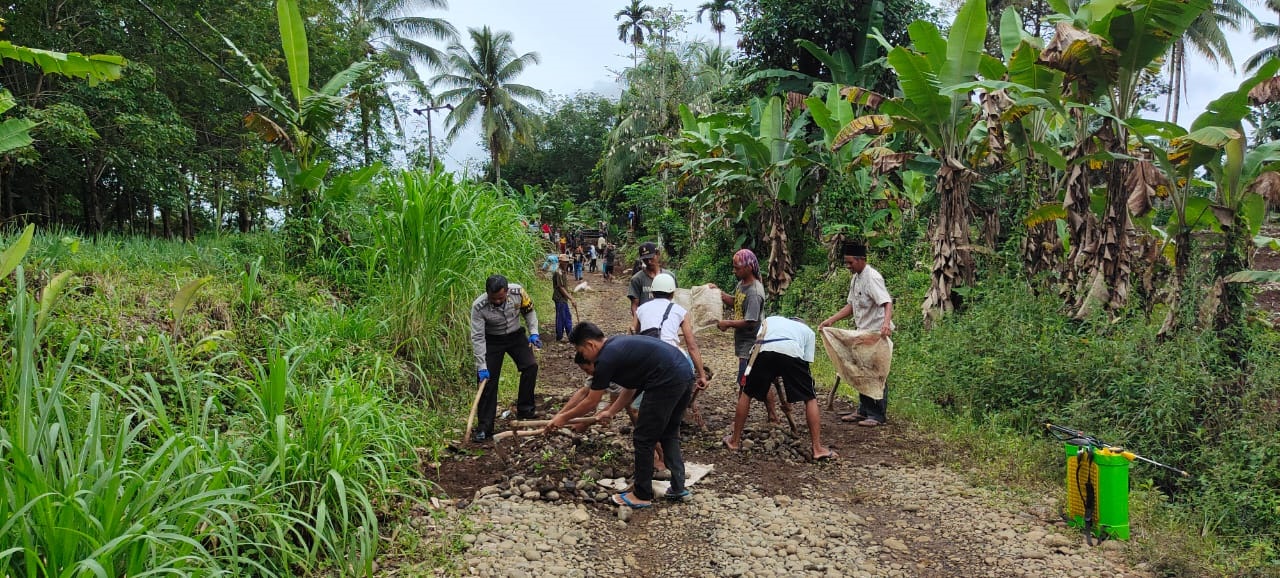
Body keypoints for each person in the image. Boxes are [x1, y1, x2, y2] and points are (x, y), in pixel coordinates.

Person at [548, 322, 697, 508]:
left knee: (643, 437)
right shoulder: (618, 346)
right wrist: (610, 411)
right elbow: (631, 387)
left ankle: (642, 495)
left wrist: (563, 418)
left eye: (581, 351)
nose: (583, 356)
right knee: (668, 432)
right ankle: (678, 487)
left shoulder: (605, 359)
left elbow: (591, 401)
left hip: (666, 379)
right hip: (684, 373)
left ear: (590, 345)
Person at [722, 316, 837, 461]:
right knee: (810, 398)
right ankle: (817, 448)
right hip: (792, 352)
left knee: (747, 393)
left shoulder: (771, 319)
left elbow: (758, 342)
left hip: (765, 350)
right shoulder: (808, 331)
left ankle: (734, 441)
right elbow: (804, 362)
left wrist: (771, 372)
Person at [818, 242, 894, 427]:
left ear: (861, 260)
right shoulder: (856, 279)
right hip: (862, 333)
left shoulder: (872, 277)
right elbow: (851, 305)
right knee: (861, 370)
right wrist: (831, 320)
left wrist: (885, 324)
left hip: (876, 334)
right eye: (846, 262)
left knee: (876, 374)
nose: (848, 266)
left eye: (850, 262)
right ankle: (863, 410)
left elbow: (887, 302)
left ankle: (877, 415)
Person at [469, 274, 541, 442]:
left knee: (530, 366)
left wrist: (534, 333)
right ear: (487, 294)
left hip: (516, 336)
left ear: (507, 292)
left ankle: (525, 410)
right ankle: (485, 427)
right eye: (493, 299)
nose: (497, 302)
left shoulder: (519, 292)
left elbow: (529, 312)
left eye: (501, 298)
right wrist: (482, 366)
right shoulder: (478, 307)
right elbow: (478, 337)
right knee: (487, 382)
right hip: (492, 340)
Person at [715, 248, 779, 422]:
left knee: (744, 381)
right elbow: (736, 303)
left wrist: (727, 324)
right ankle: (772, 415)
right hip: (744, 342)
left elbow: (750, 321)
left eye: (737, 268)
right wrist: (719, 294)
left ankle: (739, 420)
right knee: (760, 378)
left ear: (748, 268)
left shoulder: (754, 292)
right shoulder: (742, 284)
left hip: (752, 343)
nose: (734, 271)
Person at [627, 242, 676, 322]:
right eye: (645, 259)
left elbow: (675, 299)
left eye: (651, 258)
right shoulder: (637, 279)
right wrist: (636, 323)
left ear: (657, 254)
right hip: (646, 321)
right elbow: (635, 305)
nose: (649, 262)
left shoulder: (670, 276)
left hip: (666, 320)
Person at [552, 259, 576, 343]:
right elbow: (561, 287)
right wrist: (571, 298)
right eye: (565, 262)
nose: (566, 263)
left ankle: (570, 336)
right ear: (560, 262)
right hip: (560, 298)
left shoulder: (563, 272)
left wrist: (569, 296)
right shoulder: (558, 272)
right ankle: (560, 336)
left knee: (567, 317)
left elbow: (565, 287)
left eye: (567, 262)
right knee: (561, 318)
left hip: (563, 299)